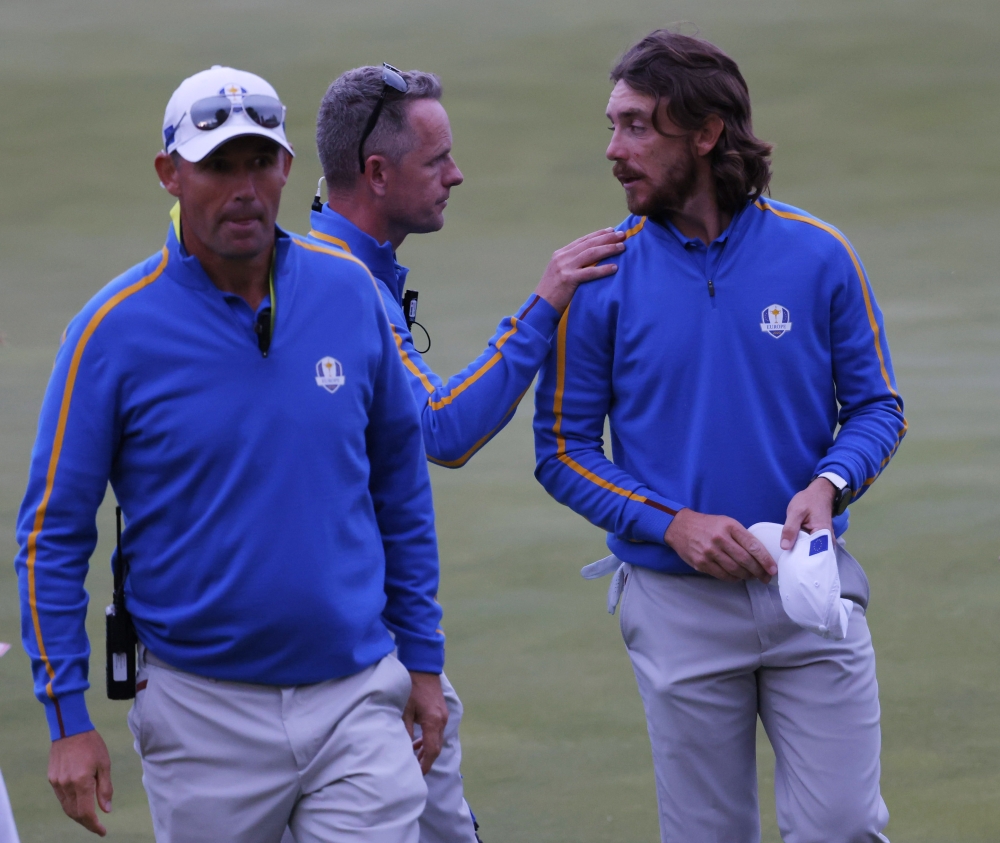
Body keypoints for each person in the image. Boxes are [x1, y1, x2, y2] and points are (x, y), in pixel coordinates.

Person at [15, 65, 446, 843]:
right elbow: (52, 533)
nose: (243, 187)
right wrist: (67, 716)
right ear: (169, 174)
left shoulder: (349, 295)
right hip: (200, 714)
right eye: (218, 165)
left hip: (355, 694)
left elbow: (400, 493)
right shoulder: (111, 330)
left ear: (287, 167)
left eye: (259, 162)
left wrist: (423, 659)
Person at [533, 30, 906, 843]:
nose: (613, 149)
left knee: (844, 826)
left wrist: (828, 484)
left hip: (809, 590)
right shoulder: (598, 277)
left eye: (638, 126)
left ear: (704, 134)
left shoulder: (819, 254)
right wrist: (672, 522)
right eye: (611, 124)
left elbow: (878, 406)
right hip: (674, 602)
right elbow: (560, 449)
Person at [307, 64, 626, 843]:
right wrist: (547, 300)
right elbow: (443, 428)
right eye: (436, 159)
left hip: (366, 639)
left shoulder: (344, 269)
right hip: (354, 654)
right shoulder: (342, 283)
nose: (457, 174)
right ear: (377, 173)